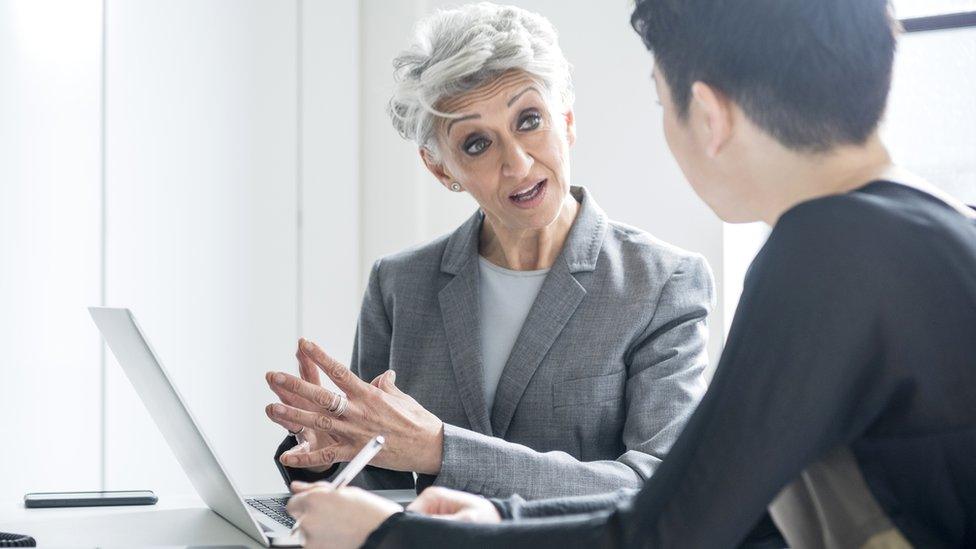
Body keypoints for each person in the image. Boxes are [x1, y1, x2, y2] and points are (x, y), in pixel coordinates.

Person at [282, 0, 976, 547]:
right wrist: (497, 521)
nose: (517, 162)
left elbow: (668, 528)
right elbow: (749, 515)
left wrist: (395, 538)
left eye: (658, 98)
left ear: (707, 114)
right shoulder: (928, 228)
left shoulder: (821, 256)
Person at [263, 2, 714, 501]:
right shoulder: (399, 285)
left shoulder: (662, 284)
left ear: (566, 121)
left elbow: (658, 490)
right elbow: (378, 490)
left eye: (529, 120)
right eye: (477, 144)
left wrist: (440, 449)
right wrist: (335, 454)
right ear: (442, 169)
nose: (517, 164)